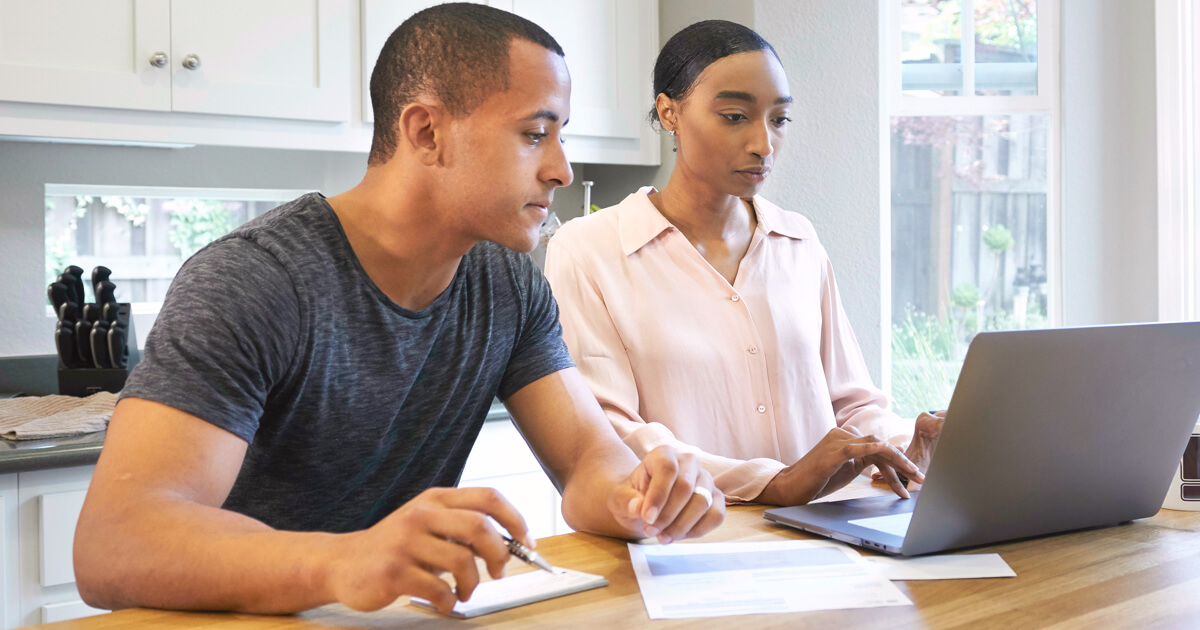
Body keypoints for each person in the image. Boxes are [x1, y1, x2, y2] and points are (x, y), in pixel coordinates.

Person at [72, 4, 724, 617]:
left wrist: (638, 495)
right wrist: (344, 559)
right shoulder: (253, 281)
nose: (560, 168)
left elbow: (587, 459)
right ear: (426, 131)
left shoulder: (507, 286)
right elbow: (115, 542)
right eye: (534, 134)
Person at [544, 20, 944, 507]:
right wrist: (773, 483)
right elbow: (613, 432)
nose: (764, 144)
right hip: (690, 540)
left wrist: (906, 443)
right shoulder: (588, 250)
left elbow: (852, 402)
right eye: (735, 116)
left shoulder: (799, 241)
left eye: (779, 119)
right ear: (669, 112)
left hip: (826, 539)